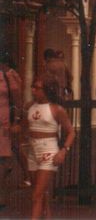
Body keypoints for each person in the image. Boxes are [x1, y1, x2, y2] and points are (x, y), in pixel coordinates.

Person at [24, 77, 75, 219]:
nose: (33, 90)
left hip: (48, 150)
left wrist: (64, 150)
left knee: (37, 195)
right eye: (32, 87)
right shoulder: (29, 106)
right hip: (33, 150)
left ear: (47, 90)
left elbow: (71, 132)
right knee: (39, 190)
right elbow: (25, 126)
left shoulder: (56, 109)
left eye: (37, 87)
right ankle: (47, 216)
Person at [0, 51, 24, 207]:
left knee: (3, 159)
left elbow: (17, 100)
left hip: (3, 123)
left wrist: (17, 120)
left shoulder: (9, 76)